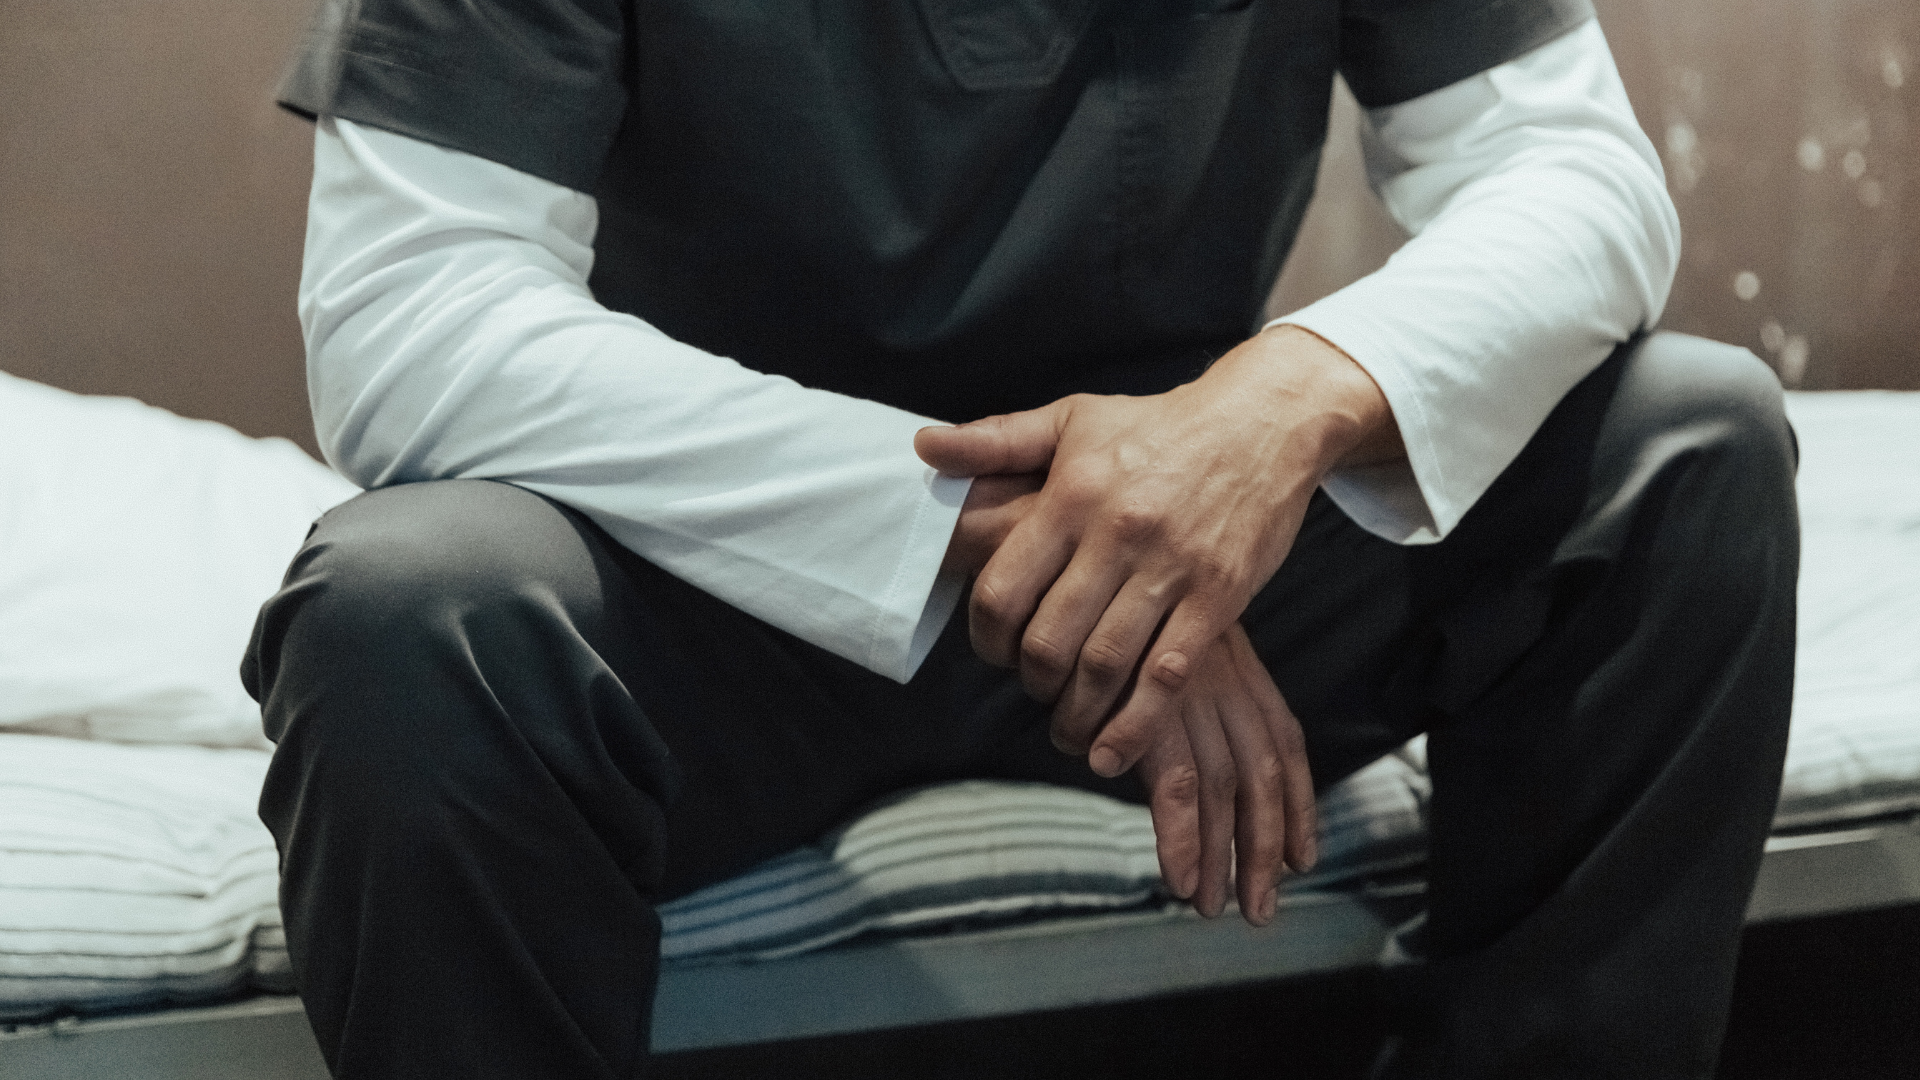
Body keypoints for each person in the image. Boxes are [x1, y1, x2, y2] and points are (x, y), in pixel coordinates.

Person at [244, 0, 1799, 1076]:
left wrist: (1272, 416)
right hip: (710, 580)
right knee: (404, 613)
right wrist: (999, 534)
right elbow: (412, 319)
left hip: (1206, 575)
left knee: (1687, 445)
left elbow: (1578, 174)